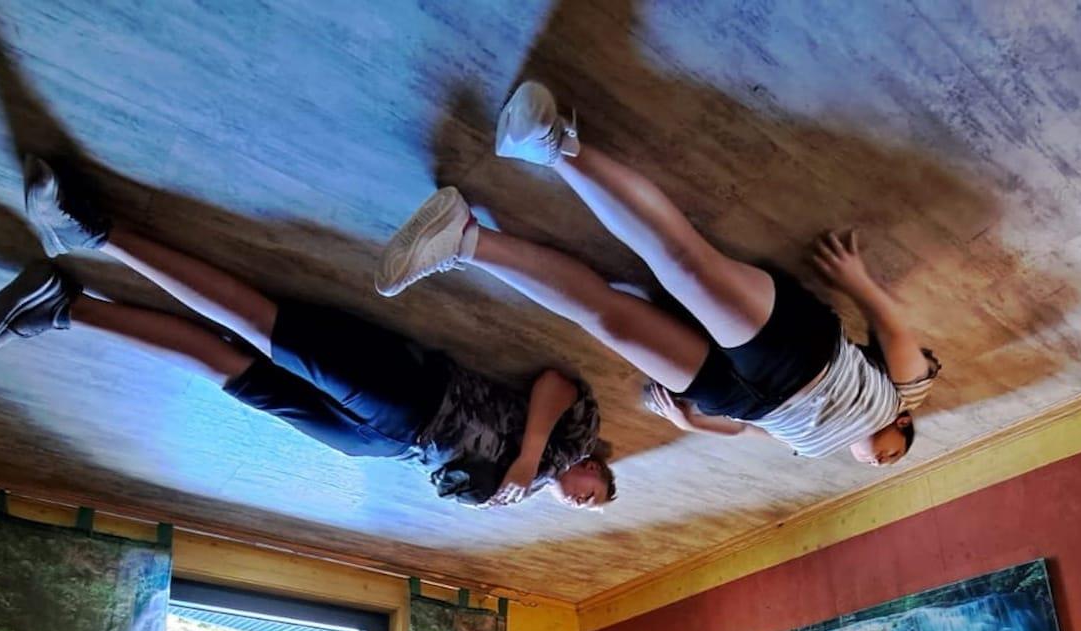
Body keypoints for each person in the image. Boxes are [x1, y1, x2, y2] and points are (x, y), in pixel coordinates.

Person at [0, 157, 616, 510]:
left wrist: (490, 489)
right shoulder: (574, 439)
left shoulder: (526, 495)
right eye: (597, 497)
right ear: (593, 468)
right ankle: (93, 231)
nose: (585, 505)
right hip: (419, 396)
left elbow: (456, 482)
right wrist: (530, 456)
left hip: (386, 447)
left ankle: (64, 307)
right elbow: (556, 384)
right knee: (259, 324)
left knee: (228, 370)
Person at [374, 80, 940, 466]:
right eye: (894, 456)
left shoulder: (813, 448)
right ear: (902, 426)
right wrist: (857, 280)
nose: (880, 462)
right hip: (804, 356)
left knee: (611, 321)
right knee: (685, 265)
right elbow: (894, 330)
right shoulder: (904, 398)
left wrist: (692, 425)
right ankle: (552, 141)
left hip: (741, 401)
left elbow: (751, 431)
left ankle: (465, 238)